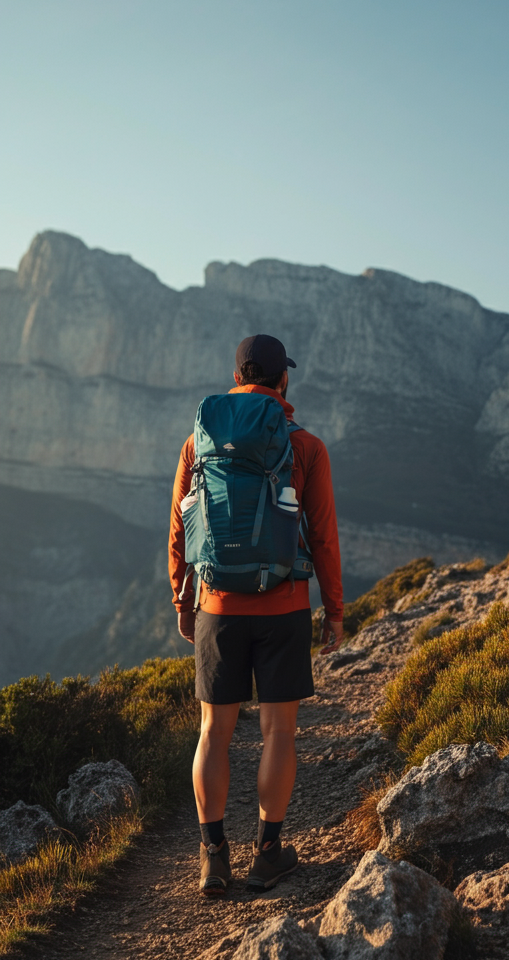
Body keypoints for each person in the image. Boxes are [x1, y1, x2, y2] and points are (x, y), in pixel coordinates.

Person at [168, 334, 345, 896]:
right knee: (278, 732)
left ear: (237, 375)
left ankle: (213, 855)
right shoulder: (307, 447)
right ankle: (267, 853)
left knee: (213, 732)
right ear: (282, 380)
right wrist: (334, 612)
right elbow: (323, 537)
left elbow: (179, 525)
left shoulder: (198, 442)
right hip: (285, 604)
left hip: (217, 603)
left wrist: (182, 596)